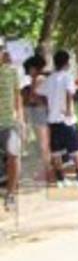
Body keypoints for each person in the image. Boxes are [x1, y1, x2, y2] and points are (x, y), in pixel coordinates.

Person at [38, 50, 78, 188]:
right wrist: (69, 109)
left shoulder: (50, 78)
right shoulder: (67, 76)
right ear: (67, 63)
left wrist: (48, 106)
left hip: (53, 119)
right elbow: (69, 93)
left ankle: (61, 179)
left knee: (56, 151)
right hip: (67, 119)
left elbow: (39, 93)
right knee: (77, 149)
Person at [0, 48, 24, 210]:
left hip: (9, 122)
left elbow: (18, 96)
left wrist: (21, 119)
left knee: (14, 156)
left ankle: (10, 195)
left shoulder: (12, 72)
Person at [21, 54, 50, 183]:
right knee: (42, 144)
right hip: (39, 112)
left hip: (40, 112)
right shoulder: (39, 78)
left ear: (33, 67)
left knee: (43, 144)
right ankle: (44, 170)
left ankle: (45, 172)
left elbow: (35, 97)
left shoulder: (39, 79)